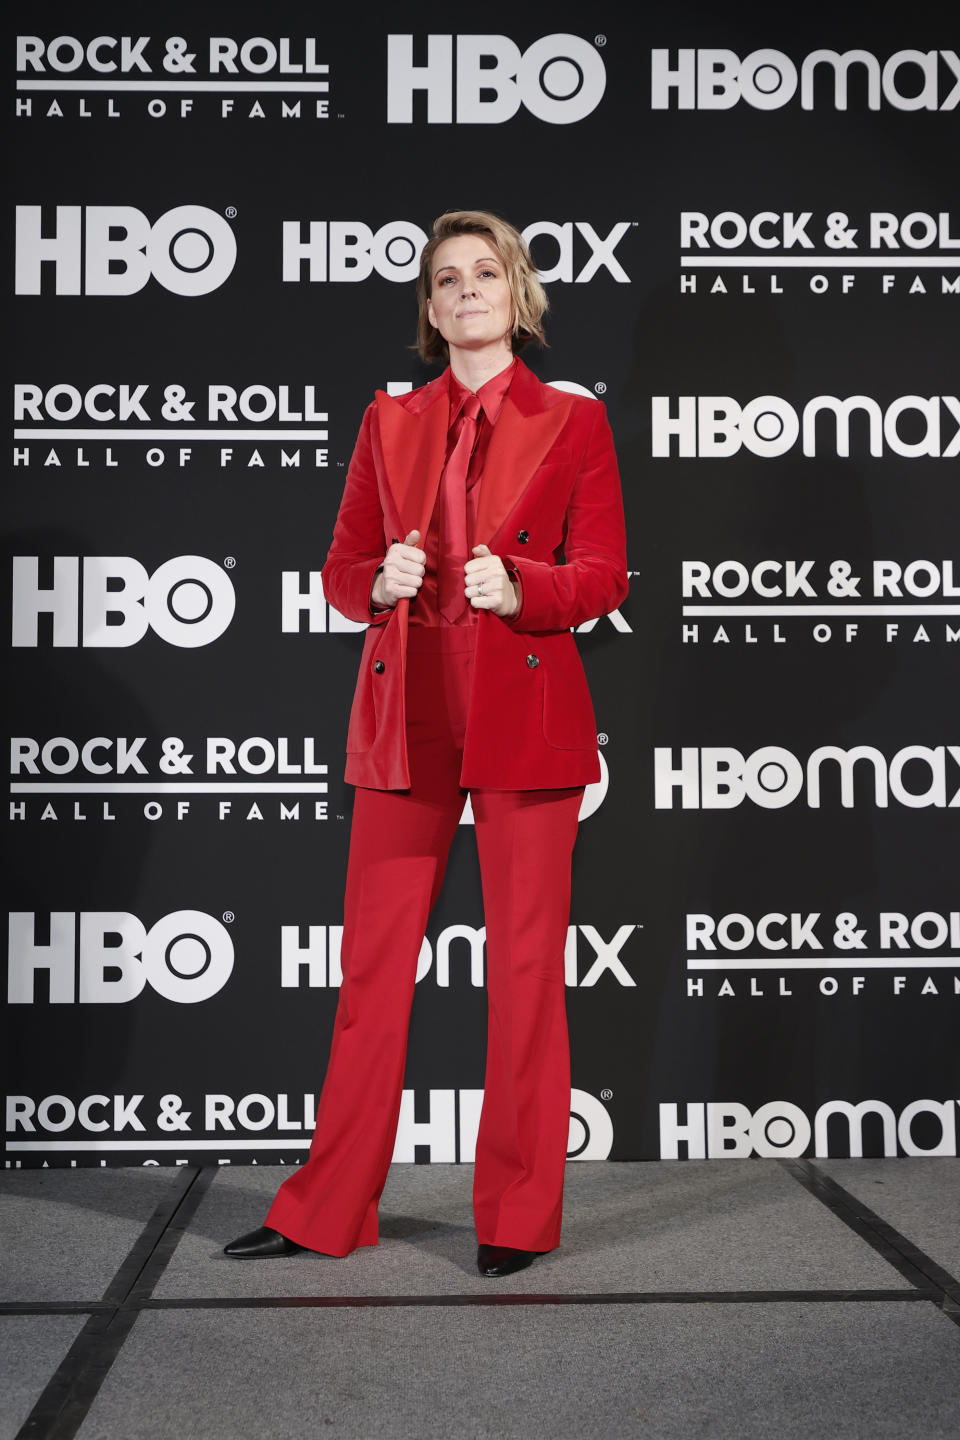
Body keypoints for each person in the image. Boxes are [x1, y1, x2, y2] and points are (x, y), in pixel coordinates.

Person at [225, 209, 627, 1277]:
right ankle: (324, 1209)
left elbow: (605, 575)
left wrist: (527, 587)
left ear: (517, 290)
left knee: (528, 970)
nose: (463, 293)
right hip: (408, 718)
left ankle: (518, 1215)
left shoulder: (575, 423)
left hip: (522, 713)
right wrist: (376, 584)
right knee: (372, 968)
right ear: (430, 306)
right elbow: (342, 567)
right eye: (445, 279)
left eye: (482, 274)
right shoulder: (388, 421)